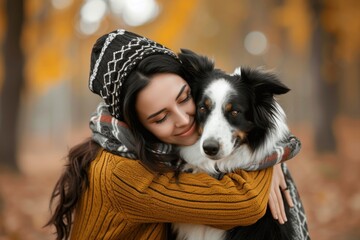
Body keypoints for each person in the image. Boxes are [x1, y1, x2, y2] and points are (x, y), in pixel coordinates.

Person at [47, 29, 308, 240]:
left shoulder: (156, 151)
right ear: (136, 125)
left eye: (184, 98)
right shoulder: (120, 174)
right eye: (161, 117)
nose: (184, 120)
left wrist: (268, 153)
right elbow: (244, 204)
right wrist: (268, 162)